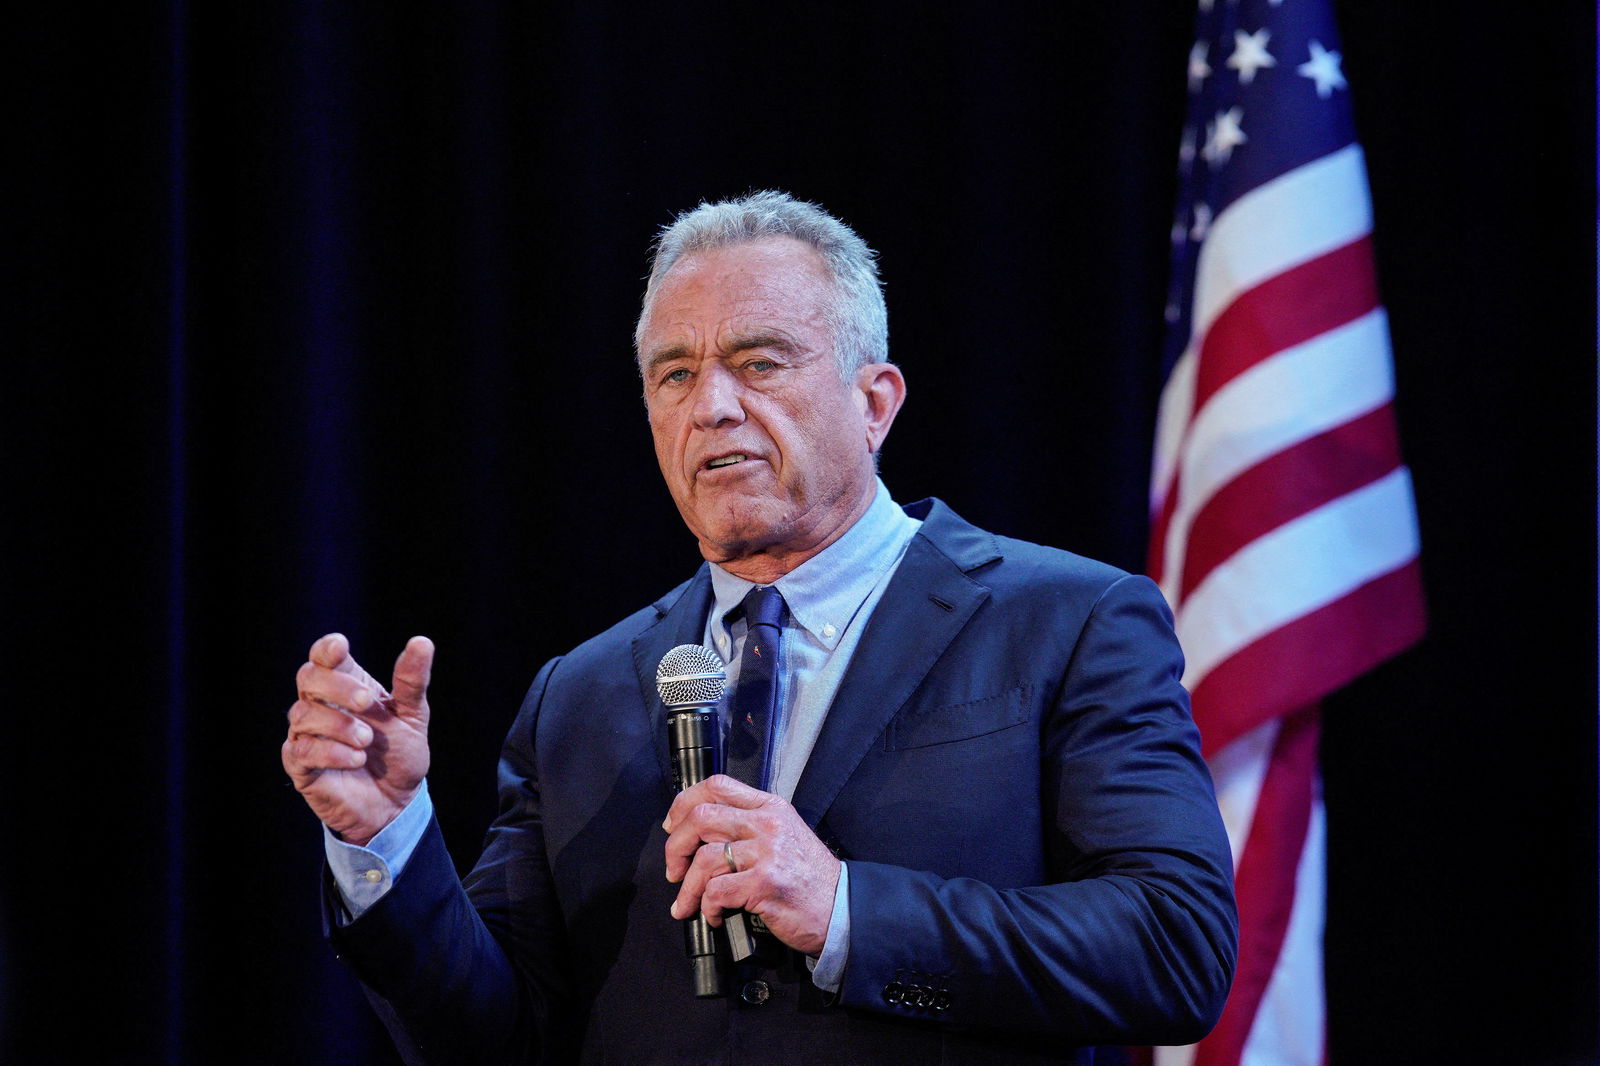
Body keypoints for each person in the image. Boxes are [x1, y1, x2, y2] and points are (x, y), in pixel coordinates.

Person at [283, 191, 1237, 1065]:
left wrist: (847, 913)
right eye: (674, 374)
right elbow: (492, 1035)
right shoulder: (579, 693)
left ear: (875, 403)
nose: (712, 406)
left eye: (759, 362)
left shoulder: (1066, 621)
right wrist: (388, 840)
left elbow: (1174, 947)